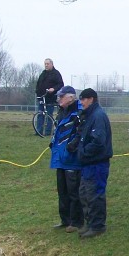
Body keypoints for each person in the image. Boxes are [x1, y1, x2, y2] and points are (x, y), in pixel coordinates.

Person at [69, 88, 113, 239]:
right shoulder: (89, 115)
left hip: (97, 163)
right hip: (88, 164)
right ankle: (90, 223)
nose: (81, 102)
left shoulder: (98, 116)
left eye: (83, 99)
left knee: (95, 194)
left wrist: (83, 152)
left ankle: (98, 226)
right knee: (85, 193)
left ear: (91, 99)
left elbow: (98, 141)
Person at [50, 85, 84, 232]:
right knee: (62, 191)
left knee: (73, 192)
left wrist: (73, 145)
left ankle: (76, 222)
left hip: (72, 159)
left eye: (61, 96)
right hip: (60, 158)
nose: (59, 99)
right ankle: (65, 220)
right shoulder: (61, 112)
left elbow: (81, 132)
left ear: (70, 97)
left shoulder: (79, 112)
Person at [34, 58, 64, 135]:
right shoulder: (43, 73)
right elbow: (38, 84)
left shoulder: (56, 74)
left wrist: (53, 89)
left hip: (50, 98)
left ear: (52, 64)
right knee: (40, 115)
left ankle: (48, 132)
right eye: (45, 64)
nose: (46, 65)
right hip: (42, 97)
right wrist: (37, 92)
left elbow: (60, 84)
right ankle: (39, 131)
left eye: (47, 64)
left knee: (49, 115)